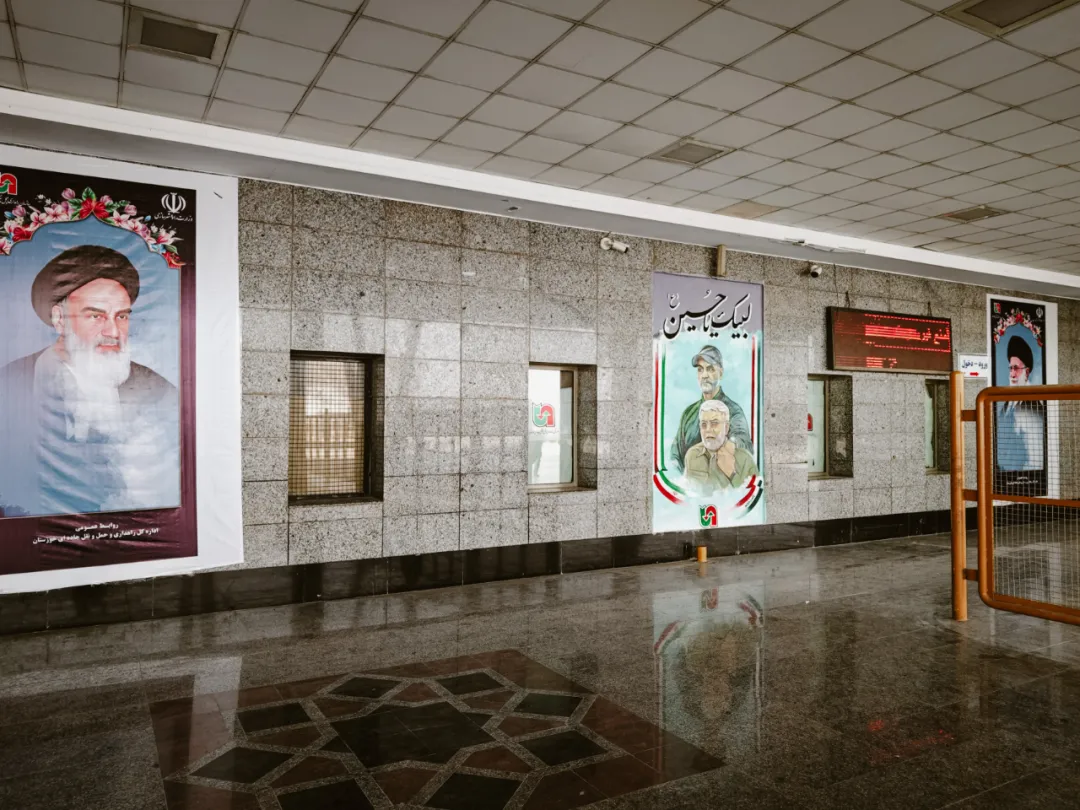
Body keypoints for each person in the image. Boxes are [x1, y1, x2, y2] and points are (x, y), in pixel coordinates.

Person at [0, 244, 179, 517]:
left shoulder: (157, 390)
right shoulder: (10, 384)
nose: (113, 331)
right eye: (96, 316)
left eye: (121, 316)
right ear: (59, 319)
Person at [671, 345, 751, 472]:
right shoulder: (688, 414)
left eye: (710, 369)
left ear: (721, 373)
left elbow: (742, 446)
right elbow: (675, 457)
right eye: (700, 370)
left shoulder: (734, 411)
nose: (704, 375)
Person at [684, 400, 759, 494]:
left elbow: (754, 494)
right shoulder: (692, 455)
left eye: (714, 423)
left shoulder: (745, 459)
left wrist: (732, 474)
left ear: (726, 428)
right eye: (703, 424)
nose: (708, 430)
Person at [995, 335, 1044, 473]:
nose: (1012, 374)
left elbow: (1034, 454)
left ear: (1027, 372)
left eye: (1016, 368)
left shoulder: (1033, 406)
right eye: (1010, 368)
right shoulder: (1007, 404)